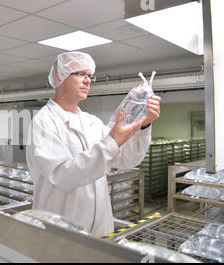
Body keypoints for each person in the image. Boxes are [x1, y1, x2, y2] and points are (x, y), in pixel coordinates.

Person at [26, 51, 161, 237]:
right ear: (59, 77)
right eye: (80, 74)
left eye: (89, 76)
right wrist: (112, 142)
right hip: (62, 233)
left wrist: (143, 125)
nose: (88, 81)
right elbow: (63, 175)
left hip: (100, 230)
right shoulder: (43, 122)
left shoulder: (93, 122)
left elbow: (126, 160)